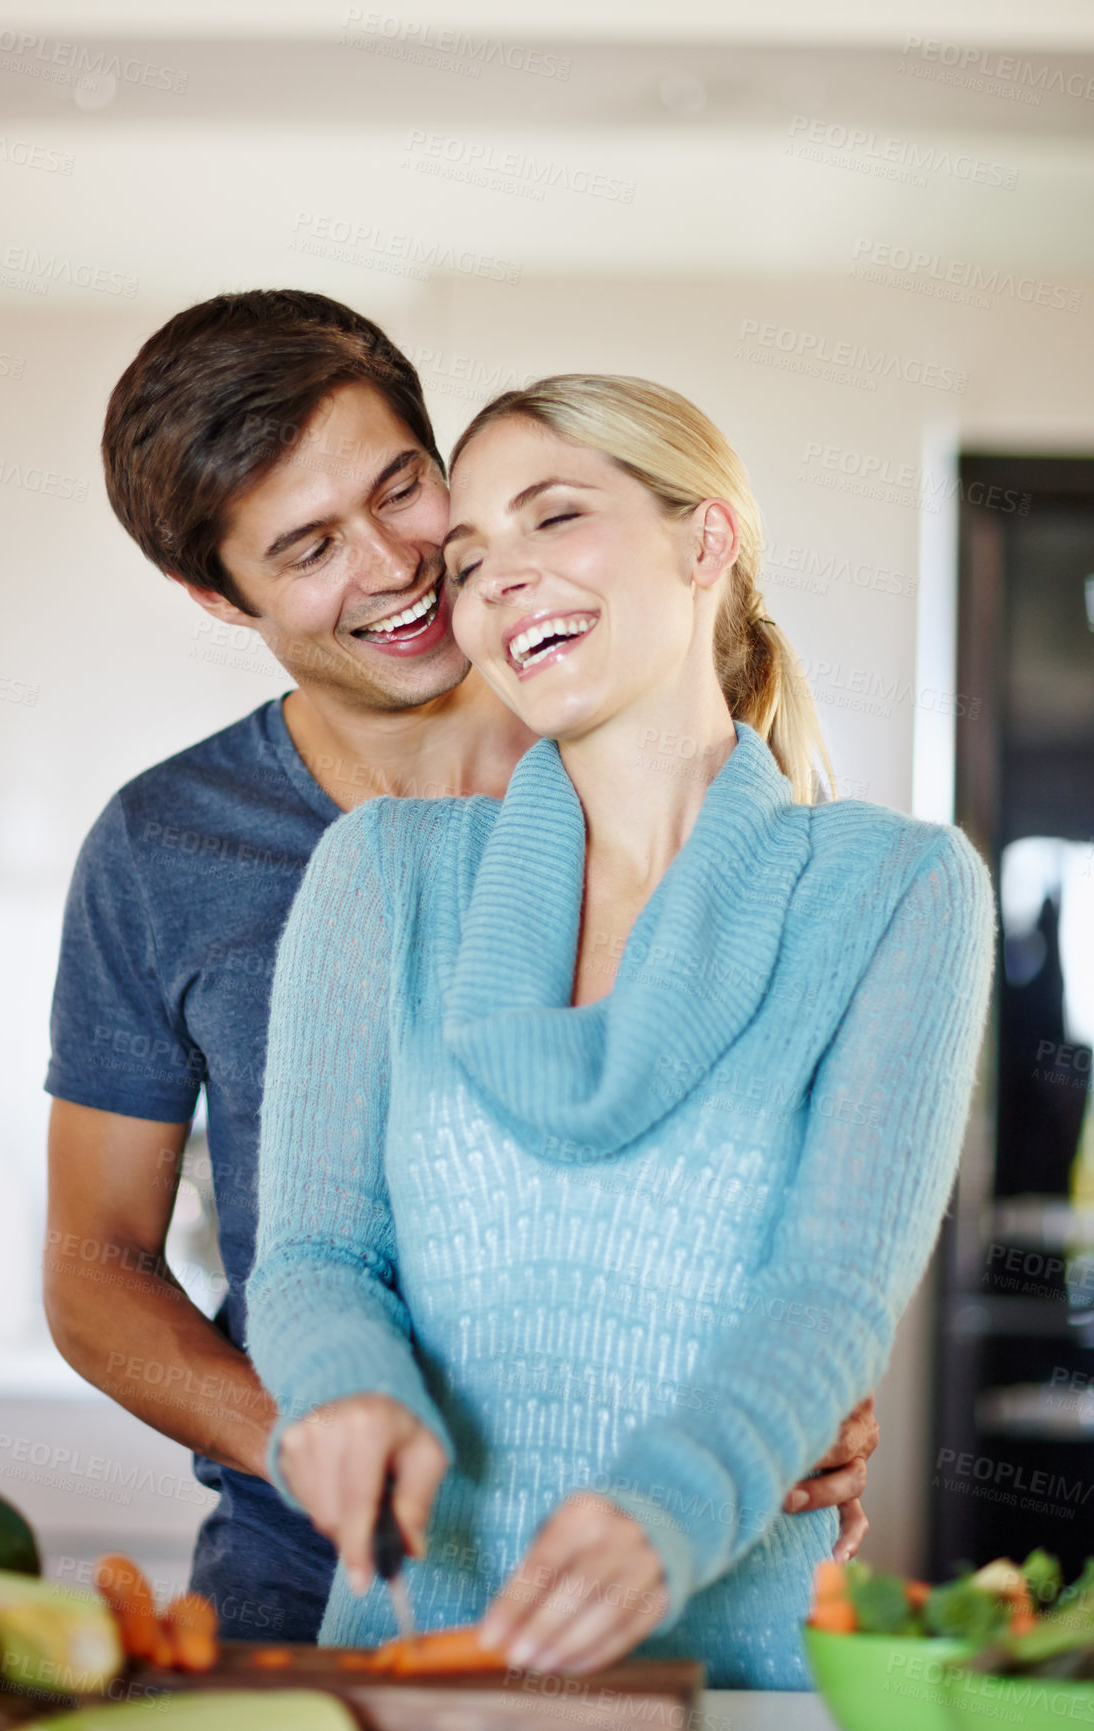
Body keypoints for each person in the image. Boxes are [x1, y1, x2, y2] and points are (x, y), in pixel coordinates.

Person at [43, 295, 877, 1646]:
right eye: (307, 547)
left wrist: (815, 1387)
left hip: (676, 1586)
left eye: (399, 490)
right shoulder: (166, 850)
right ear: (217, 594)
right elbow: (94, 1262)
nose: (394, 566)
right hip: (309, 1586)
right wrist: (318, 1437)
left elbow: (798, 1216)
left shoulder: (696, 801)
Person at [246, 374, 996, 1687]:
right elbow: (314, 1258)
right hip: (410, 1668)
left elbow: (828, 1296)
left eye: (554, 519)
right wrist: (341, 1387)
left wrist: (669, 1506)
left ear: (706, 540)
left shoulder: (900, 893)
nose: (501, 582)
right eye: (469, 559)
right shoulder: (379, 876)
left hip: (726, 1683)